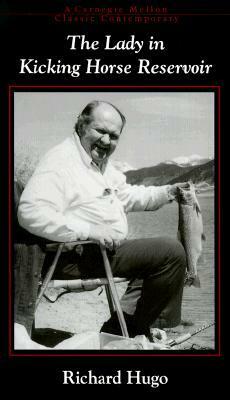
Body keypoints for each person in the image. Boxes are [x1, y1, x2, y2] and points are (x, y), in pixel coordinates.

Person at [17, 100, 187, 348]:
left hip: (100, 252)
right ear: (81, 124)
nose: (106, 141)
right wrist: (90, 231)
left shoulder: (95, 161)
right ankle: (131, 330)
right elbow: (30, 212)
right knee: (170, 253)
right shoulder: (60, 163)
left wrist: (168, 192)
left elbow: (125, 195)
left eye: (114, 136)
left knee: (159, 257)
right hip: (74, 255)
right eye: (101, 131)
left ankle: (120, 329)